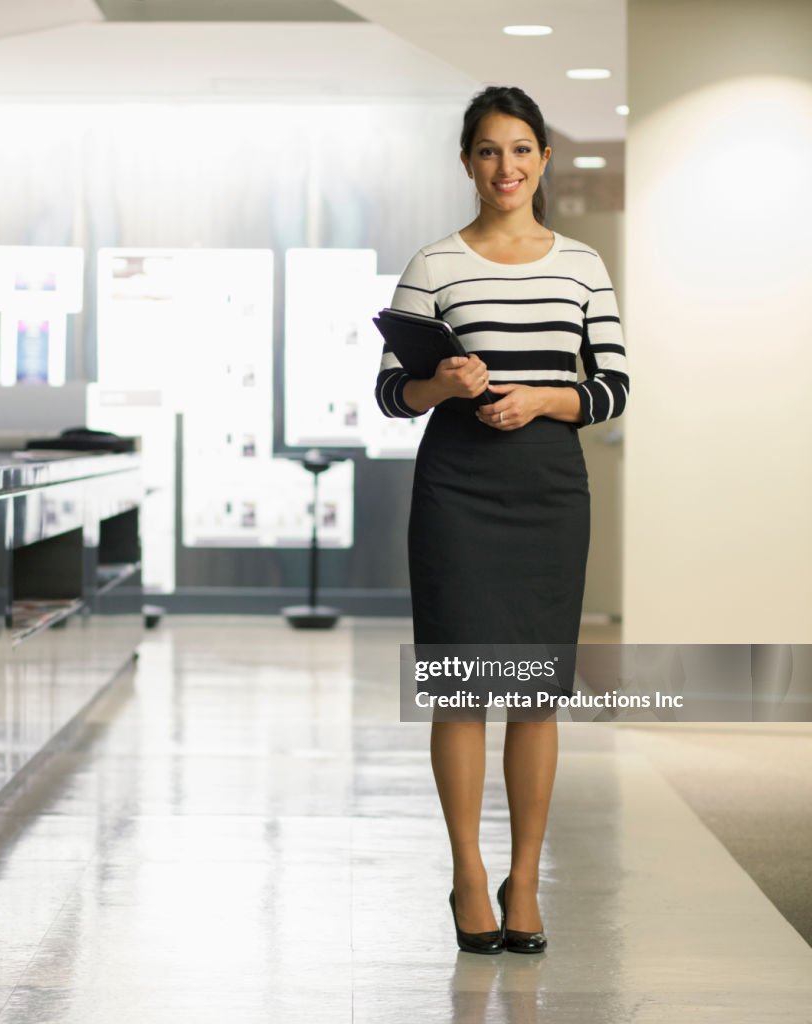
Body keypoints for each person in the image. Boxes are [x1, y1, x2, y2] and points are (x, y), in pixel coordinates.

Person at [375, 86, 629, 954]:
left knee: (532, 694)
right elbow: (389, 392)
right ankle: (469, 875)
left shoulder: (583, 264)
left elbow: (614, 386)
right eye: (489, 151)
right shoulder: (435, 264)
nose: (506, 167)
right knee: (459, 688)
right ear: (467, 162)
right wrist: (442, 385)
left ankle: (525, 876)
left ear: (545, 159)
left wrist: (547, 399)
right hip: (457, 491)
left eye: (522, 150)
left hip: (549, 493)